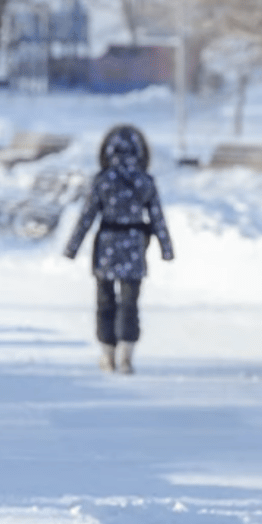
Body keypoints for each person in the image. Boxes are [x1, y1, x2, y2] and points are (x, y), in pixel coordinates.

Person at [63, 124, 174, 374]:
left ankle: (107, 354)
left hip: (107, 247)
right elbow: (157, 217)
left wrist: (72, 247)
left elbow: (87, 216)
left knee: (105, 301)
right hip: (135, 246)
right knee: (129, 302)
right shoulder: (145, 181)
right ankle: (126, 355)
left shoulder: (102, 180)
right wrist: (166, 248)